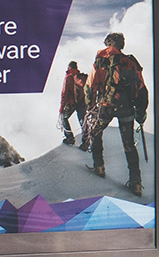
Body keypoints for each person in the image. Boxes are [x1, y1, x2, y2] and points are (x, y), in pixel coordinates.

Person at [86, 32, 149, 196]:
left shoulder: (100, 60)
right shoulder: (131, 62)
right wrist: (141, 112)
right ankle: (136, 183)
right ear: (122, 45)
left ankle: (99, 166)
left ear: (107, 44)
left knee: (95, 131)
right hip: (126, 108)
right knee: (128, 144)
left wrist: (90, 105)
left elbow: (91, 85)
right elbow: (141, 88)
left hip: (106, 106)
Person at [58, 61, 90, 148]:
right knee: (83, 121)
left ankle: (69, 138)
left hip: (71, 103)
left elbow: (64, 94)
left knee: (64, 117)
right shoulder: (80, 77)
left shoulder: (68, 77)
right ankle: (86, 142)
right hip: (82, 103)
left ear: (69, 68)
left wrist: (61, 107)